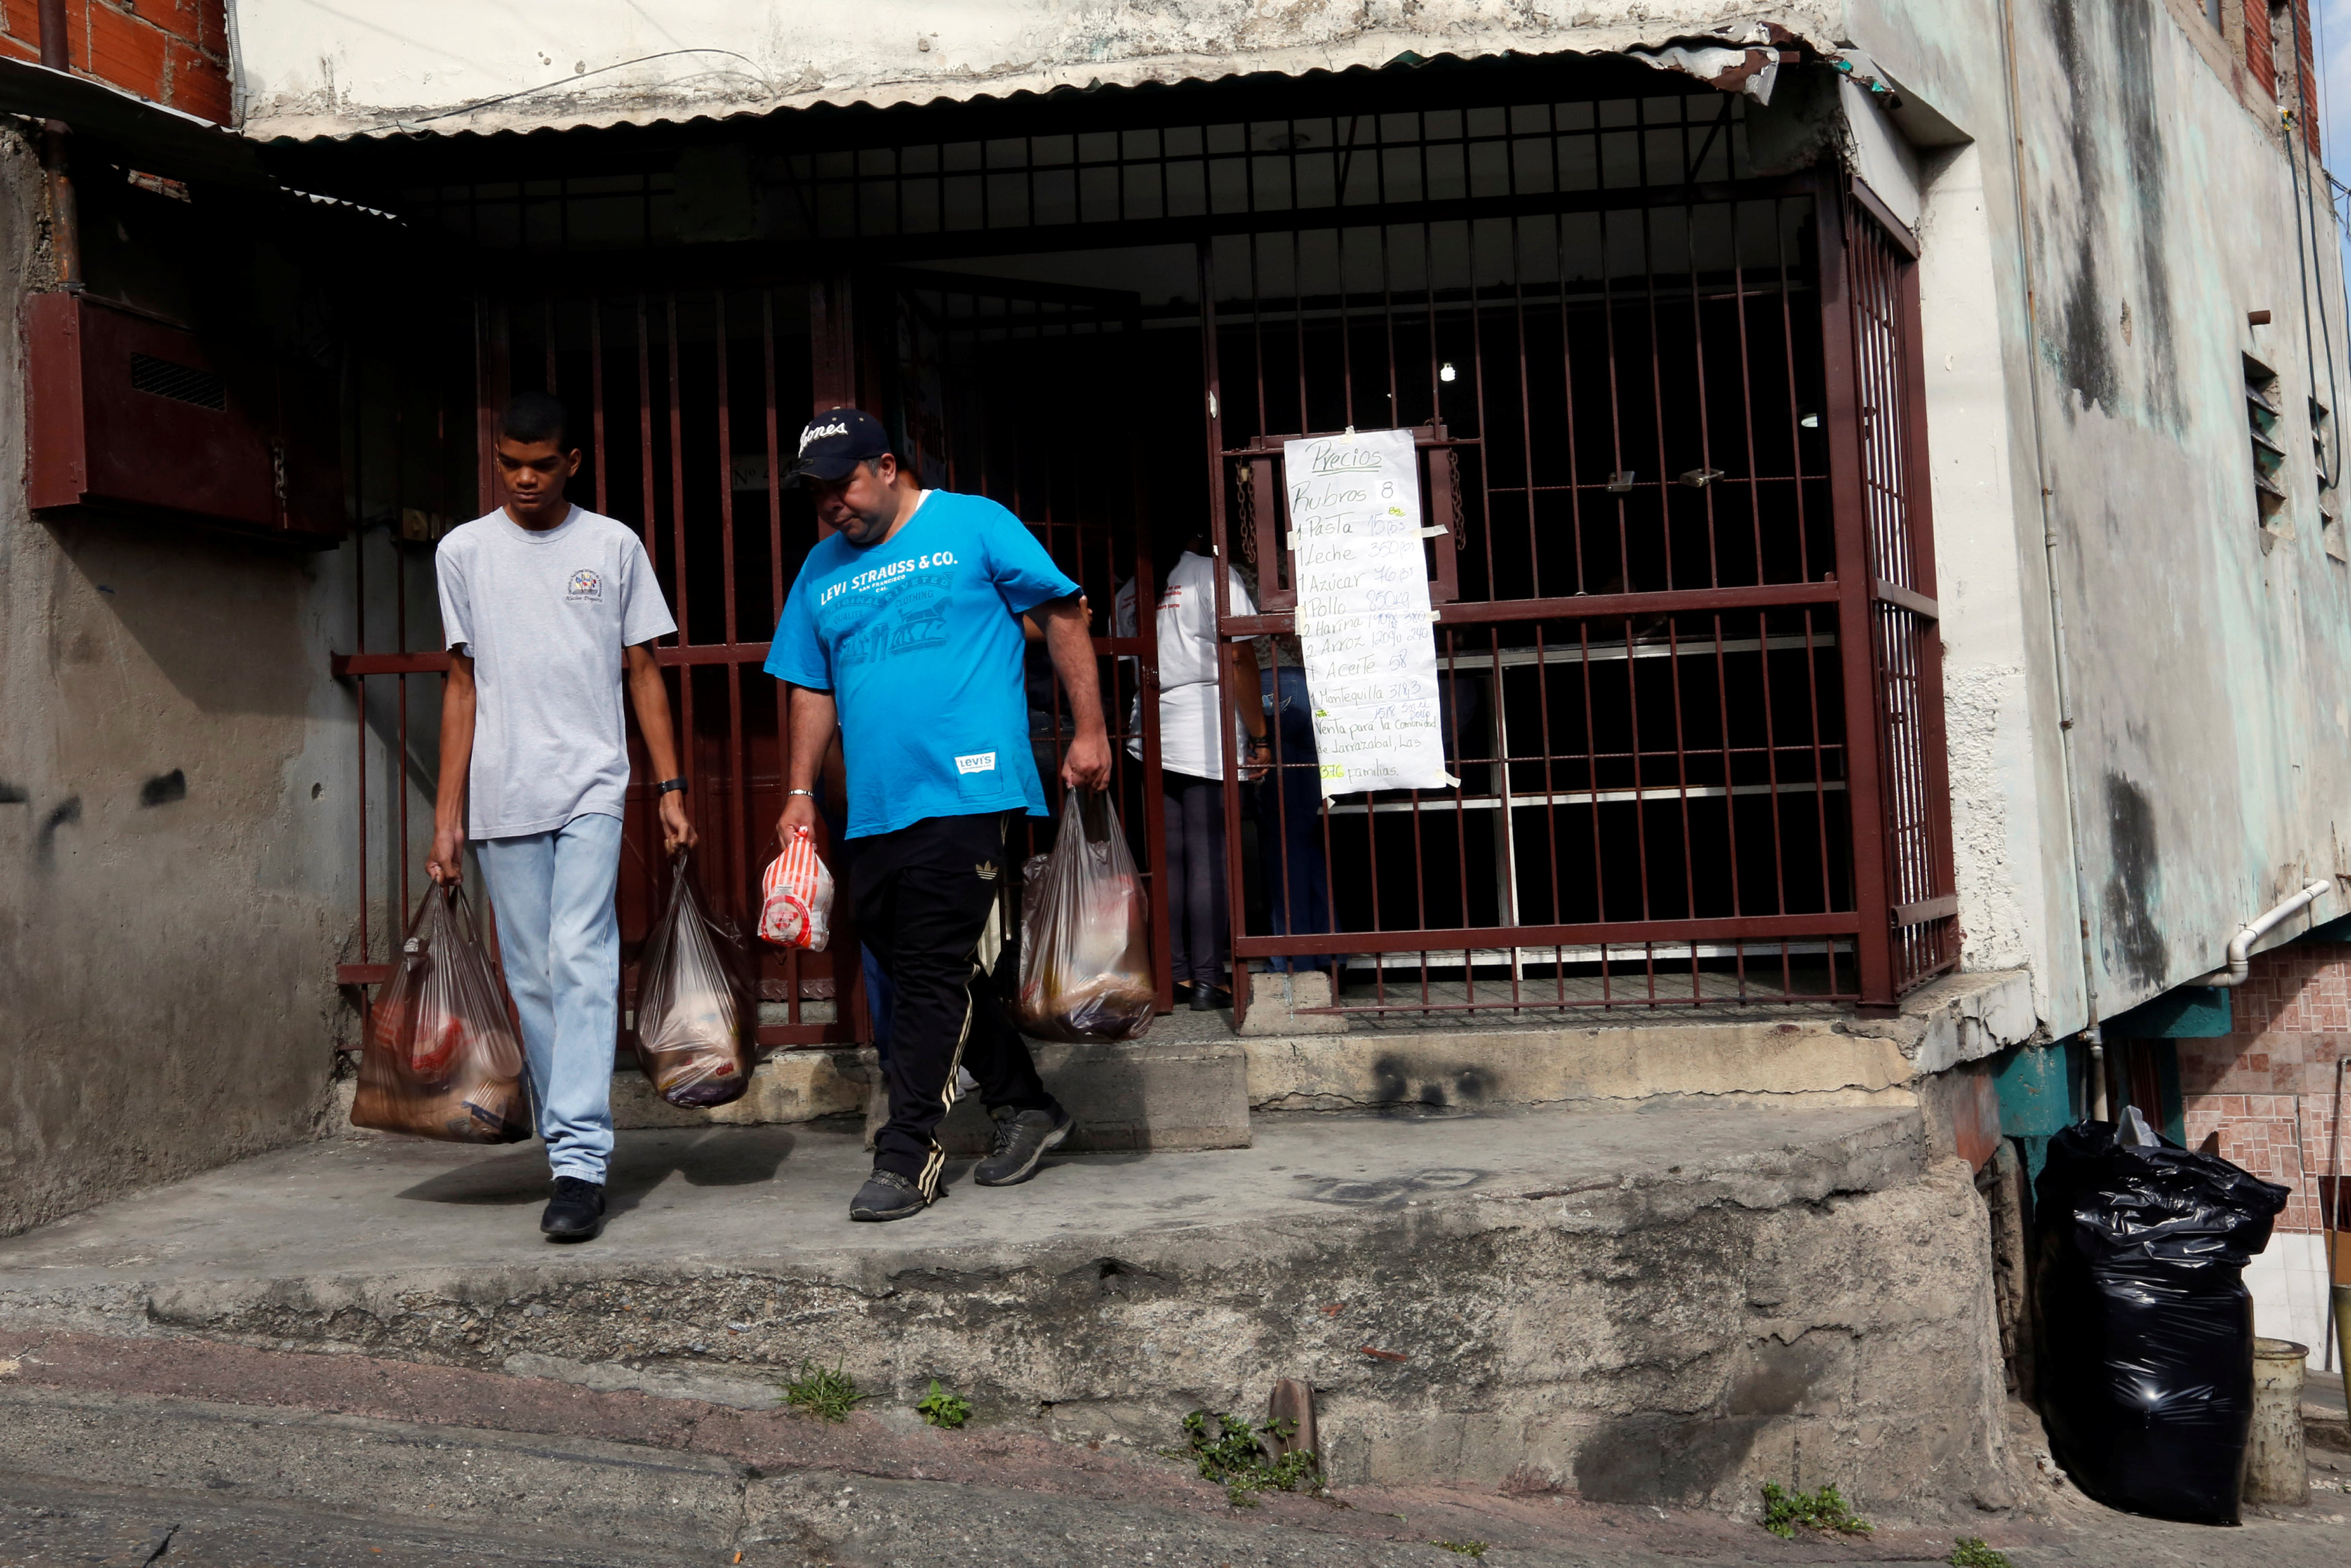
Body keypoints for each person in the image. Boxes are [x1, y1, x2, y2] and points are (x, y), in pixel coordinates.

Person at [766, 408, 1111, 1223]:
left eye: (842, 484)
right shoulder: (820, 569)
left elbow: (1062, 613)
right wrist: (799, 792)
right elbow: (809, 685)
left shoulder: (974, 523)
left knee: (926, 969)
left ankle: (908, 1151)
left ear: (887, 467)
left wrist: (1090, 727)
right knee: (935, 966)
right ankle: (1029, 1107)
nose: (831, 506)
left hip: (970, 786)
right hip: (875, 804)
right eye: (817, 493)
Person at [427, 391, 695, 1243]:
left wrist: (669, 786)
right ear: (495, 460)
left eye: (541, 464)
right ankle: (567, 1148)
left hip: (592, 782)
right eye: (510, 463)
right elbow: (461, 686)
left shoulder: (612, 546)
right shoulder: (463, 551)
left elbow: (643, 669)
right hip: (502, 792)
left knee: (581, 953)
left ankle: (579, 1161)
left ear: (572, 462)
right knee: (533, 974)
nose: (525, 478)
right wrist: (445, 819)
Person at [1113, 536, 1268, 1011]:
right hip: (1205, 722)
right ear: (1195, 533)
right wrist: (1260, 736)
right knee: (1209, 858)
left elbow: (1128, 667)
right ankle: (1208, 978)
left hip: (1153, 727)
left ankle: (1175, 974)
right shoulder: (1210, 573)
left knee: (1170, 858)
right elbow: (1240, 657)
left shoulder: (1128, 591)